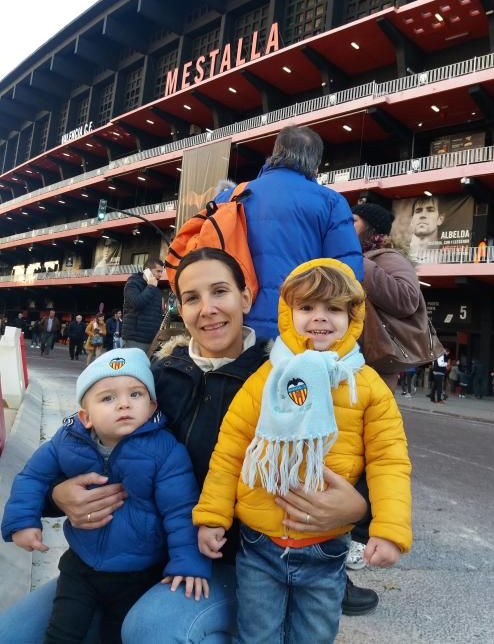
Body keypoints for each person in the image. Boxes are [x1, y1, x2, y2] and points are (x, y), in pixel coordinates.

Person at [0, 248, 371, 643]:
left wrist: (359, 510)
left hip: (239, 562)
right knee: (13, 633)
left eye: (220, 292)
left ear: (246, 298)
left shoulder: (287, 377)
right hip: (135, 558)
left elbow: (365, 457)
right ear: (179, 307)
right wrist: (58, 496)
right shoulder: (154, 377)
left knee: (153, 630)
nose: (207, 308)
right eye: (192, 297)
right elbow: (76, 440)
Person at [194, 259, 412, 643]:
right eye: (307, 307)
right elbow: (229, 450)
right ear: (288, 313)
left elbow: (388, 460)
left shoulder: (368, 386)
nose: (319, 319)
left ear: (353, 316)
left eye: (333, 308)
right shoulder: (266, 379)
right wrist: (213, 516)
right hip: (259, 545)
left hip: (326, 548)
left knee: (313, 636)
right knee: (256, 636)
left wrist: (390, 529)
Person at [1, 348, 210, 643]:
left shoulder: (165, 451)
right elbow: (33, 476)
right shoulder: (68, 441)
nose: (124, 404)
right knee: (62, 632)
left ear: (152, 407)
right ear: (85, 417)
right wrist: (23, 520)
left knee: (118, 634)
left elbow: (180, 511)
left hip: (138, 571)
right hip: (81, 566)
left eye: (135, 395)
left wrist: (187, 561)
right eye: (108, 398)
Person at [215, 125, 363, 338]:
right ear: (316, 163)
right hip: (296, 330)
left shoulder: (229, 197)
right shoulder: (331, 202)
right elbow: (346, 276)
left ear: (275, 152)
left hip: (231, 326)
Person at [351, 203, 422, 392]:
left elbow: (407, 298)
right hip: (358, 357)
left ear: (371, 227)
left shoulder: (388, 257)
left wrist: (358, 264)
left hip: (375, 363)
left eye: (354, 221)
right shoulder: (361, 255)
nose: (347, 226)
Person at [122, 258, 164, 352]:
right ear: (147, 270)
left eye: (162, 272)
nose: (161, 275)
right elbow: (137, 303)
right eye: (158, 271)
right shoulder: (132, 284)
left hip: (152, 339)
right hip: (135, 338)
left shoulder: (155, 289)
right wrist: (151, 287)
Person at [408, 195, 445, 262]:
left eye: (430, 210)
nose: (423, 215)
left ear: (440, 219)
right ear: (411, 220)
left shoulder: (445, 258)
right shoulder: (400, 255)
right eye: (418, 211)